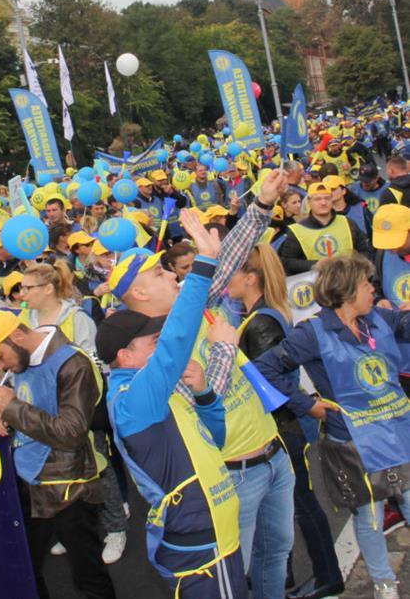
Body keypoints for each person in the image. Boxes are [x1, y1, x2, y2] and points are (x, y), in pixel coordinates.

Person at [116, 169, 295, 597]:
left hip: (272, 452)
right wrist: (224, 348)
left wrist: (262, 203)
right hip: (234, 474)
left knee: (277, 554)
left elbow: (227, 257)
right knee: (237, 573)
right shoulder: (150, 352)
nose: (172, 275)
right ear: (139, 294)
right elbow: (203, 401)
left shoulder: (193, 303)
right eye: (159, 275)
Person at [97, 215, 246, 598]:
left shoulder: (160, 392)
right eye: (153, 342)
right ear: (125, 356)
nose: (162, 346)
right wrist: (204, 264)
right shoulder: (131, 400)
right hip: (200, 541)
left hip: (216, 530)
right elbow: (175, 343)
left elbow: (214, 439)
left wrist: (204, 394)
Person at [255, 256, 410, 599]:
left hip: (397, 431)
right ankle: (384, 584)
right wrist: (305, 404)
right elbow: (265, 369)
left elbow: (404, 324)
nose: (373, 290)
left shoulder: (378, 317)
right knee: (370, 515)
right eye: (366, 284)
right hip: (353, 441)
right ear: (348, 291)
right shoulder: (311, 333)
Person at [228, 245, 345, 599]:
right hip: (280, 424)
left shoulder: (261, 321)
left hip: (282, 427)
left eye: (232, 273)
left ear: (251, 278)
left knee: (303, 503)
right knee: (282, 507)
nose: (226, 281)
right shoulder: (257, 315)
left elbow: (271, 381)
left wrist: (305, 406)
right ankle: (285, 569)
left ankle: (328, 575)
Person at [0, 310, 116, 599]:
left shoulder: (72, 363)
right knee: (24, 568)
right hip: (29, 481)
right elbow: (33, 406)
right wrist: (6, 416)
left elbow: (71, 433)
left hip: (68, 488)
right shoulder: (23, 359)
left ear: (17, 336)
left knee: (88, 576)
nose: (0, 367)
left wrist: (13, 408)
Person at [280, 181, 371, 276]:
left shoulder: (347, 223)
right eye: (317, 199)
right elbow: (287, 262)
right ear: (309, 202)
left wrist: (353, 265)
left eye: (327, 198)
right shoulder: (297, 230)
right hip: (316, 282)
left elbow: (364, 250)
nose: (323, 203)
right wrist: (315, 264)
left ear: (332, 200)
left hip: (348, 280)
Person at [19, 262, 96, 355]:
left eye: (27, 288)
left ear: (48, 289)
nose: (21, 294)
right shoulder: (22, 317)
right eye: (21, 288)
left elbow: (91, 359)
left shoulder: (78, 319)